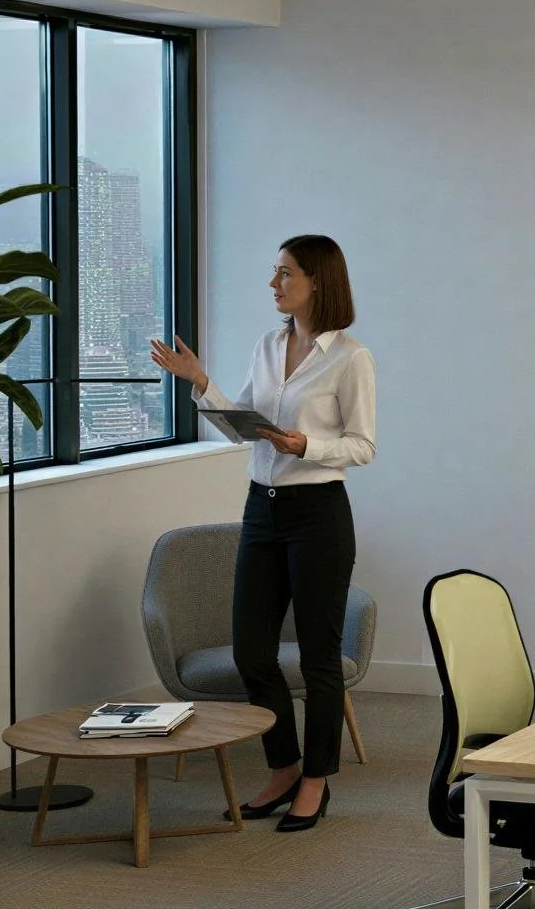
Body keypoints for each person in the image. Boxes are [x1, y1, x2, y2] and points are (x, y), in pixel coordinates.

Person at [149, 235, 376, 833]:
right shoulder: (270, 345)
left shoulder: (349, 357)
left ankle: (316, 780)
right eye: (273, 273)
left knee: (320, 657)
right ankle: (282, 767)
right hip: (263, 509)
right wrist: (201, 382)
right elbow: (242, 429)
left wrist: (306, 444)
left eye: (285, 274)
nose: (274, 284)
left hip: (318, 513)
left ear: (318, 281)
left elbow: (363, 444)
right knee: (253, 650)